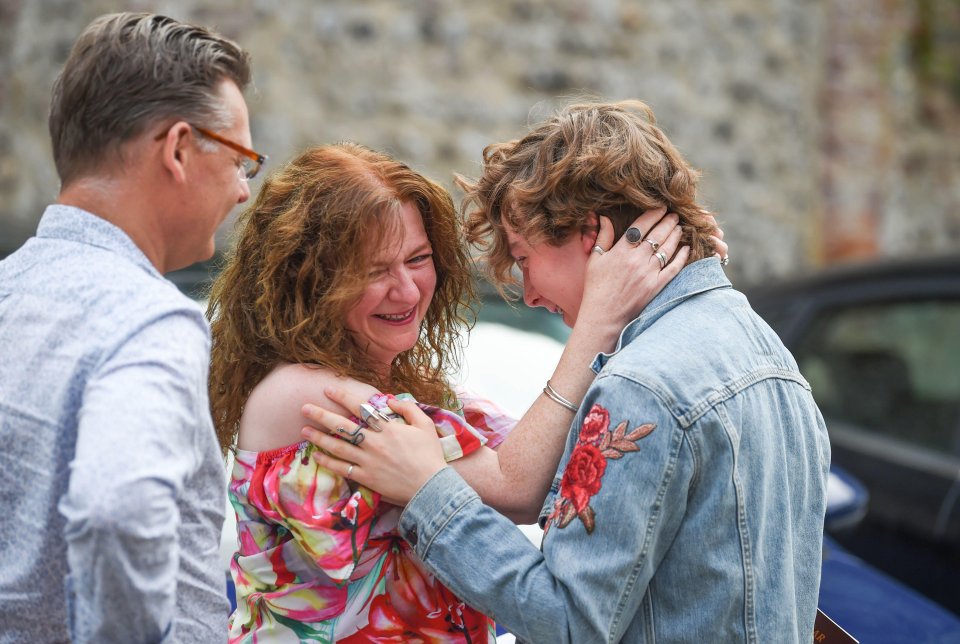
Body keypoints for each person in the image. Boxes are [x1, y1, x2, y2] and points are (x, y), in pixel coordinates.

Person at [303, 100, 831, 643]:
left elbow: (568, 624)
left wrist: (428, 492)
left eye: (524, 257)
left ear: (592, 233)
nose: (530, 294)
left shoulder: (641, 386)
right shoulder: (770, 353)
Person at [206, 141, 714, 641]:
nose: (406, 291)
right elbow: (519, 486)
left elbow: (566, 466)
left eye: (417, 258)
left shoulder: (417, 391)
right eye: (374, 270)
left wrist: (678, 265)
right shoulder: (307, 398)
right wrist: (600, 317)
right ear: (309, 279)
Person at [0, 13, 260, 642]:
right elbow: (116, 512)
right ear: (176, 149)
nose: (243, 192)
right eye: (241, 160)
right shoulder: (149, 320)